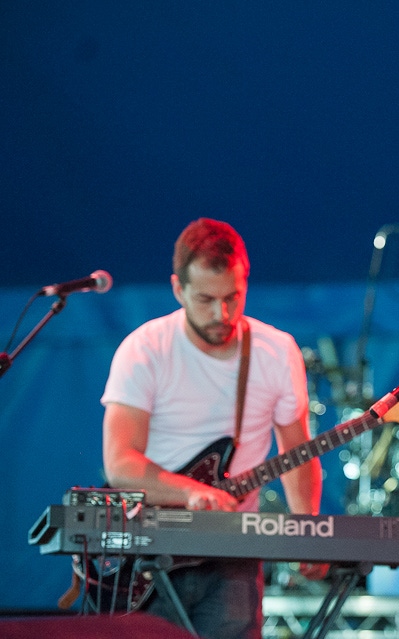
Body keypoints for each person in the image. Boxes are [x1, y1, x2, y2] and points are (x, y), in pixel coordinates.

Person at [101, 218, 323, 639]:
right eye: (205, 299)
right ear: (177, 288)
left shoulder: (277, 351)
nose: (221, 314)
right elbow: (120, 464)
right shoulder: (144, 349)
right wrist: (190, 491)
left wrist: (306, 530)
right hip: (148, 548)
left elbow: (298, 451)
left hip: (234, 547)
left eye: (232, 297)